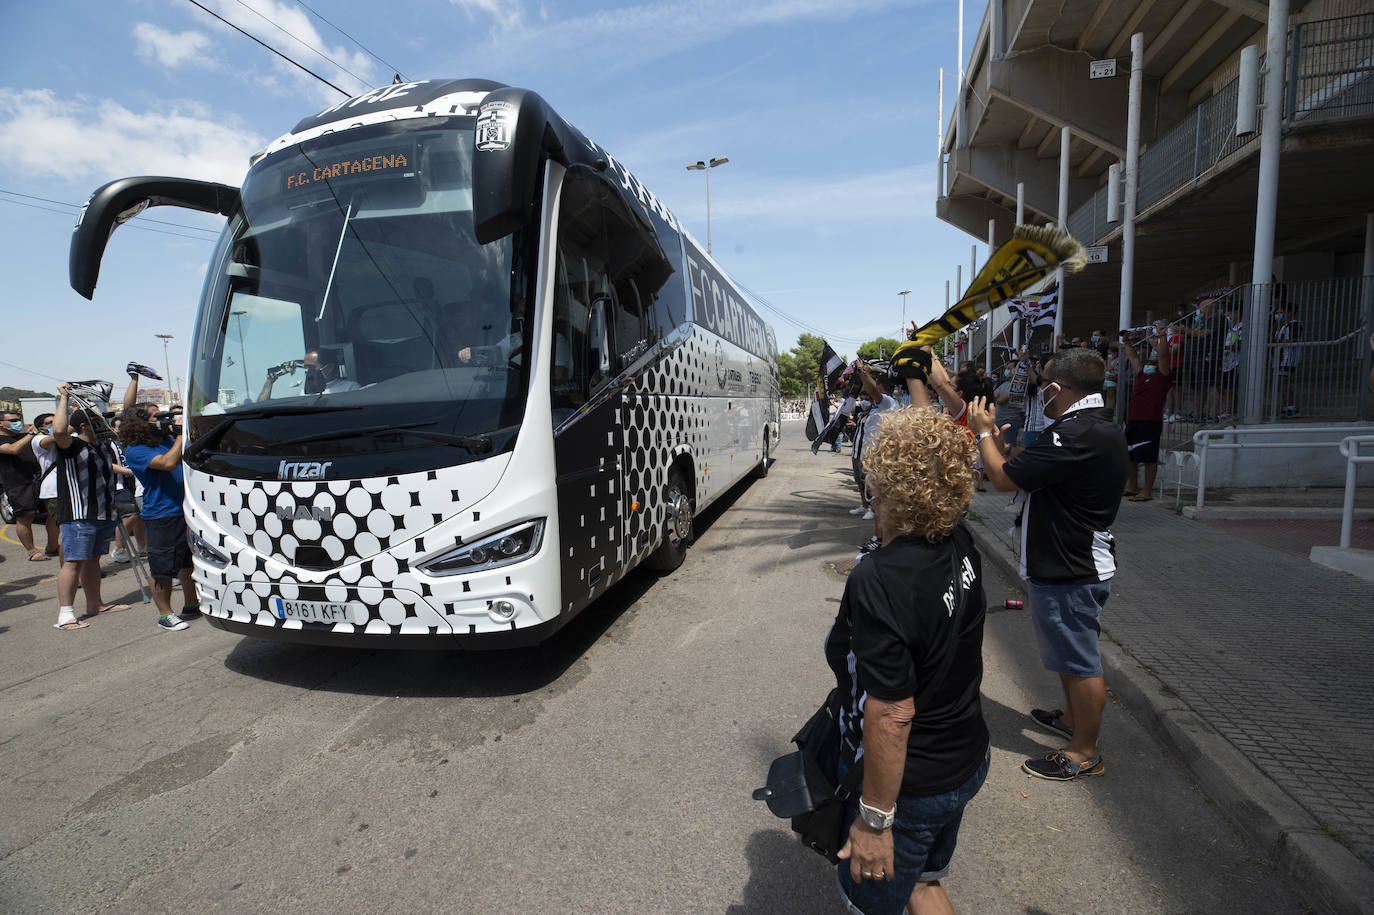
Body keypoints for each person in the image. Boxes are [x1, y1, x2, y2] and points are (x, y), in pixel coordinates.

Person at [828, 406, 989, 915]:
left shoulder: (881, 579)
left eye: (872, 477)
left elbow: (892, 712)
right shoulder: (959, 542)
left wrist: (874, 821)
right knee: (923, 884)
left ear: (889, 487)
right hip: (965, 760)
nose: (867, 487)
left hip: (912, 789)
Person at [968, 347, 1128, 781]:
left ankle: (1083, 752)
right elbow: (1024, 467)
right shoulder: (1088, 427)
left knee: (1079, 662)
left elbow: (1001, 480)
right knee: (1067, 655)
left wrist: (982, 434)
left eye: (1043, 386)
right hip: (1069, 561)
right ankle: (1073, 720)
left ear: (1058, 387)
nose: (1041, 393)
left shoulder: (1074, 432)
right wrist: (999, 448)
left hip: (1071, 565)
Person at [120, 374, 200, 631]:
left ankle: (191, 604)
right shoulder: (136, 450)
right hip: (161, 514)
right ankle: (165, 613)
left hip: (183, 510)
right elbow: (167, 464)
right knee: (163, 566)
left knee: (187, 562)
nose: (160, 420)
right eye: (155, 417)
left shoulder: (163, 441)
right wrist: (178, 436)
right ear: (140, 424)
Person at [49, 386, 132, 629]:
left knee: (94, 559)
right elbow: (58, 430)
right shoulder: (70, 446)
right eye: (96, 420)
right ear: (84, 425)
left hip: (103, 513)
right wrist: (64, 397)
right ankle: (65, 614)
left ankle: (95, 604)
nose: (103, 424)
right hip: (78, 515)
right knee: (73, 561)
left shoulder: (102, 447)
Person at [1121, 329, 1173, 500]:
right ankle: (1133, 486)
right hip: (1134, 419)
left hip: (1150, 421)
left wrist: (1162, 336)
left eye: (1153, 361)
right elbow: (1133, 358)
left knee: (1149, 458)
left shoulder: (1163, 376)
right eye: (1149, 361)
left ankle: (1147, 492)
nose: (1150, 363)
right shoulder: (1142, 374)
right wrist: (1127, 341)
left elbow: (1164, 356)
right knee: (1130, 456)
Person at [0, 410, 48, 561]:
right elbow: (14, 449)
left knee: (52, 513)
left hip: (39, 479)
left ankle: (52, 545)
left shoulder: (24, 436)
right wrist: (31, 434)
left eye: (18, 419)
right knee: (25, 517)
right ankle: (33, 552)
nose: (17, 422)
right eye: (13, 420)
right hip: (17, 483)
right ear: (1, 423)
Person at [28, 412, 61, 558]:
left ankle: (52, 546)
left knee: (56, 521)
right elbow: (56, 436)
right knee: (66, 527)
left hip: (71, 487)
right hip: (53, 489)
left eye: (56, 421)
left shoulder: (69, 437)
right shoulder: (38, 439)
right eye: (50, 423)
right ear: (41, 428)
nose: (55, 424)